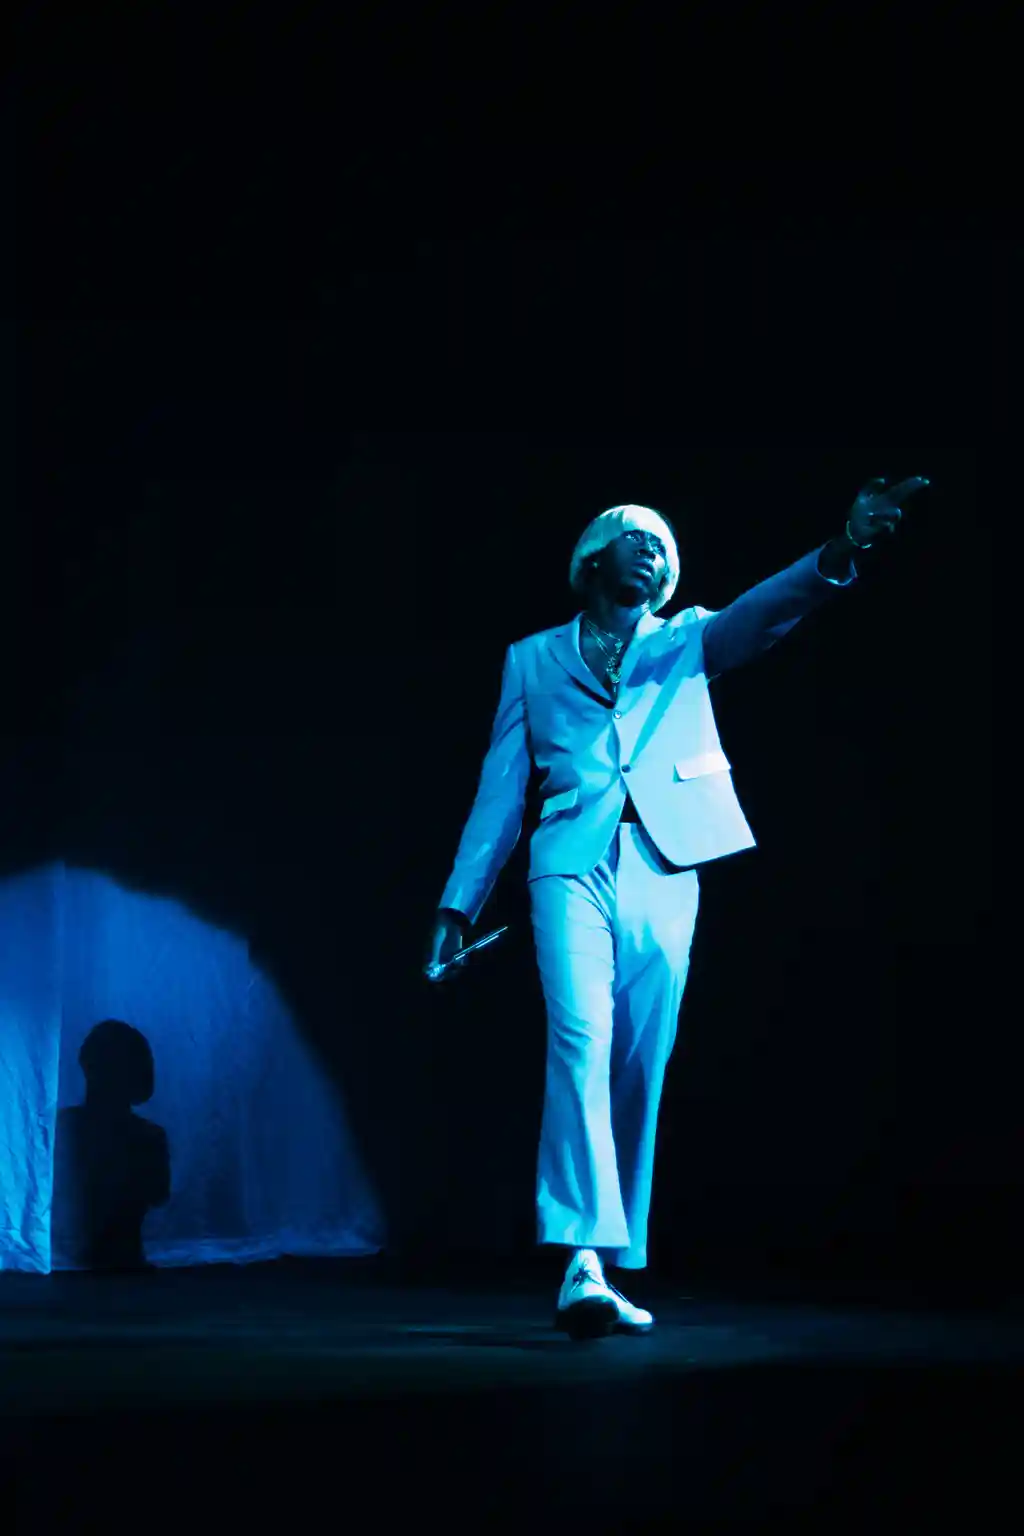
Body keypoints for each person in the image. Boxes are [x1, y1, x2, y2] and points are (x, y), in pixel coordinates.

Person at [424, 477, 928, 1340]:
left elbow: (764, 611)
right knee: (580, 1038)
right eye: (637, 539)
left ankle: (610, 1258)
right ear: (594, 557)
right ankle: (581, 1261)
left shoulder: (687, 638)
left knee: (638, 1060)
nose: (654, 553)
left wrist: (844, 547)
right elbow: (500, 792)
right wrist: (459, 903)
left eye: (663, 546)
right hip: (568, 863)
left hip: (666, 859)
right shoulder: (532, 658)